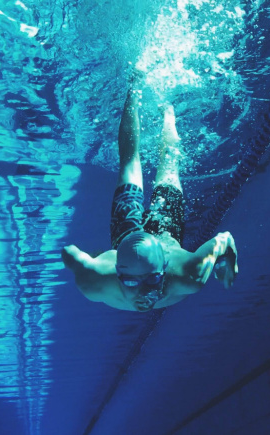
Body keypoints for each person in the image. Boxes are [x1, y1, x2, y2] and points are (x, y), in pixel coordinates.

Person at [62, 88, 238, 312]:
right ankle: (135, 90)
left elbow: (224, 240)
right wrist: (92, 260)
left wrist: (229, 258)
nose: (143, 292)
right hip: (163, 229)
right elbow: (69, 253)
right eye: (131, 282)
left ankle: (167, 111)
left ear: (164, 269)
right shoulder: (95, 280)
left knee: (136, 163)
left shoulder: (188, 274)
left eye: (153, 280)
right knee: (160, 164)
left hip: (134, 235)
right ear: (118, 274)